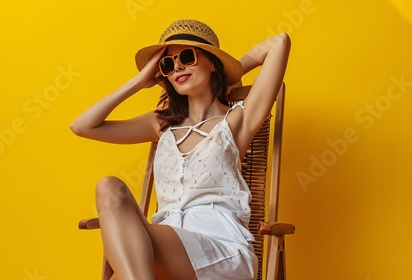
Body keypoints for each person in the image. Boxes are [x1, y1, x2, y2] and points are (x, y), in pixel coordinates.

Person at [71, 19, 290, 280]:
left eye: (187, 57)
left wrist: (229, 76)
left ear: (211, 62)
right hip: (164, 248)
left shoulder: (236, 120)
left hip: (219, 247)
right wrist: (138, 82)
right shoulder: (161, 124)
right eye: (167, 64)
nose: (177, 67)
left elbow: (279, 43)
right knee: (108, 187)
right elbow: (82, 126)